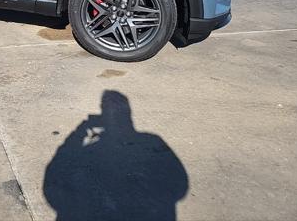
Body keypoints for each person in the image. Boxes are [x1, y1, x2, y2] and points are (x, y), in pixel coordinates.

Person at [43, 90, 189, 221]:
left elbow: (53, 179)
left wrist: (80, 130)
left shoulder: (150, 139)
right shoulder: (151, 139)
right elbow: (180, 185)